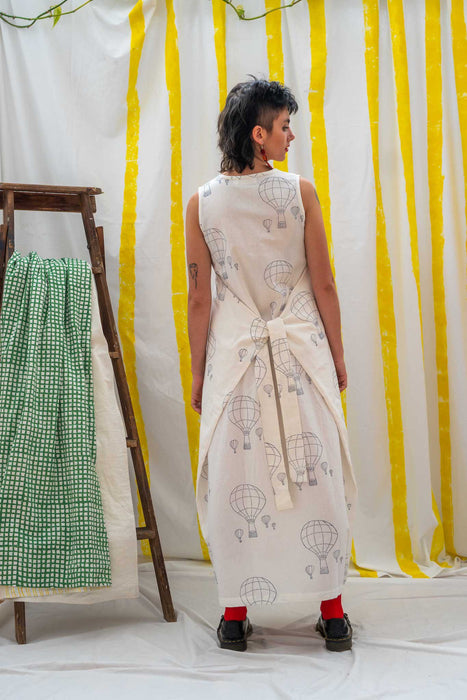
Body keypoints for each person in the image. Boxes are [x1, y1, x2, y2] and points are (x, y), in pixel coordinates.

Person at [185, 78, 357, 653]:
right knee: (317, 476)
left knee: (237, 479)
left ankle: (234, 618)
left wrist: (198, 373)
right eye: (285, 126)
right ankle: (333, 615)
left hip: (234, 361)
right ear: (259, 135)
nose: (291, 135)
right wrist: (337, 355)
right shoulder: (300, 192)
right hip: (300, 353)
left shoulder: (201, 203)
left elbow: (199, 299)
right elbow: (324, 283)